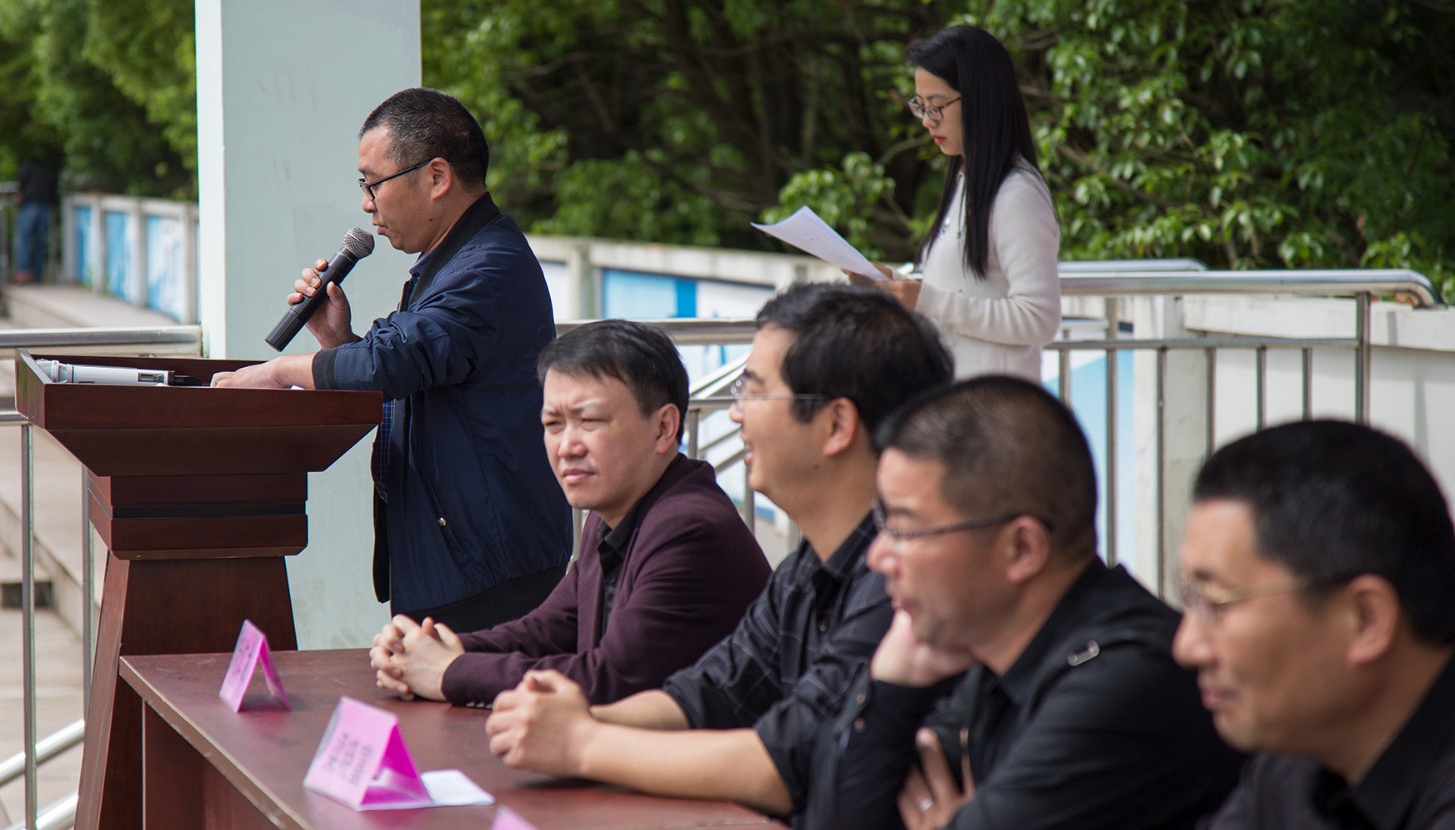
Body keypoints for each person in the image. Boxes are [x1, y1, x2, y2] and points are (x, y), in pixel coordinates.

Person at [483, 282, 954, 824]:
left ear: (835, 425)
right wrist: (573, 722)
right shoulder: (807, 567)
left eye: (752, 394)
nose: (736, 417)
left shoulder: (904, 581)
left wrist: (584, 741)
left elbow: (785, 762)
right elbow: (709, 693)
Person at [810, 376, 1242, 829]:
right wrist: (893, 684)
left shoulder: (1124, 683)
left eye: (905, 528)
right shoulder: (993, 649)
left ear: (1021, 549)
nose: (878, 557)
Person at [211, 88, 571, 631]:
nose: (365, 203)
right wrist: (340, 343)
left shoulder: (486, 268)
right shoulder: (453, 262)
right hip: (459, 557)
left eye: (372, 183)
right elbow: (415, 369)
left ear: (436, 177)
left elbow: (394, 360)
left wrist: (275, 373)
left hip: (487, 569)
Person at [367, 319, 772, 706]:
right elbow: (547, 630)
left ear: (664, 427)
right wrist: (431, 648)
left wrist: (449, 672)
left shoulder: (689, 528)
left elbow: (609, 681)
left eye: (589, 421)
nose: (567, 447)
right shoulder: (614, 509)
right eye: (553, 424)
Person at [1175, 420, 1455, 829]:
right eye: (1190, 600)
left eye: (1217, 603)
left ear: (1365, 620)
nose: (1186, 646)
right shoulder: (1299, 756)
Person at [856, 26, 1060, 382]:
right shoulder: (967, 181)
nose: (926, 120)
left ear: (981, 98)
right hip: (957, 404)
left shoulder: (1017, 195)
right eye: (920, 106)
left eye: (937, 106)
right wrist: (897, 286)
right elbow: (963, 292)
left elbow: (1038, 319)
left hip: (994, 412)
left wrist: (926, 299)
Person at [14, 158, 58, 285]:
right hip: (45, 207)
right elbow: (53, 193)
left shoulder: (28, 166)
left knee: (23, 239)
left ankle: (24, 271)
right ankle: (37, 274)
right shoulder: (50, 170)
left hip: (30, 204)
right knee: (39, 242)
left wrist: (19, 196)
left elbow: (21, 185)